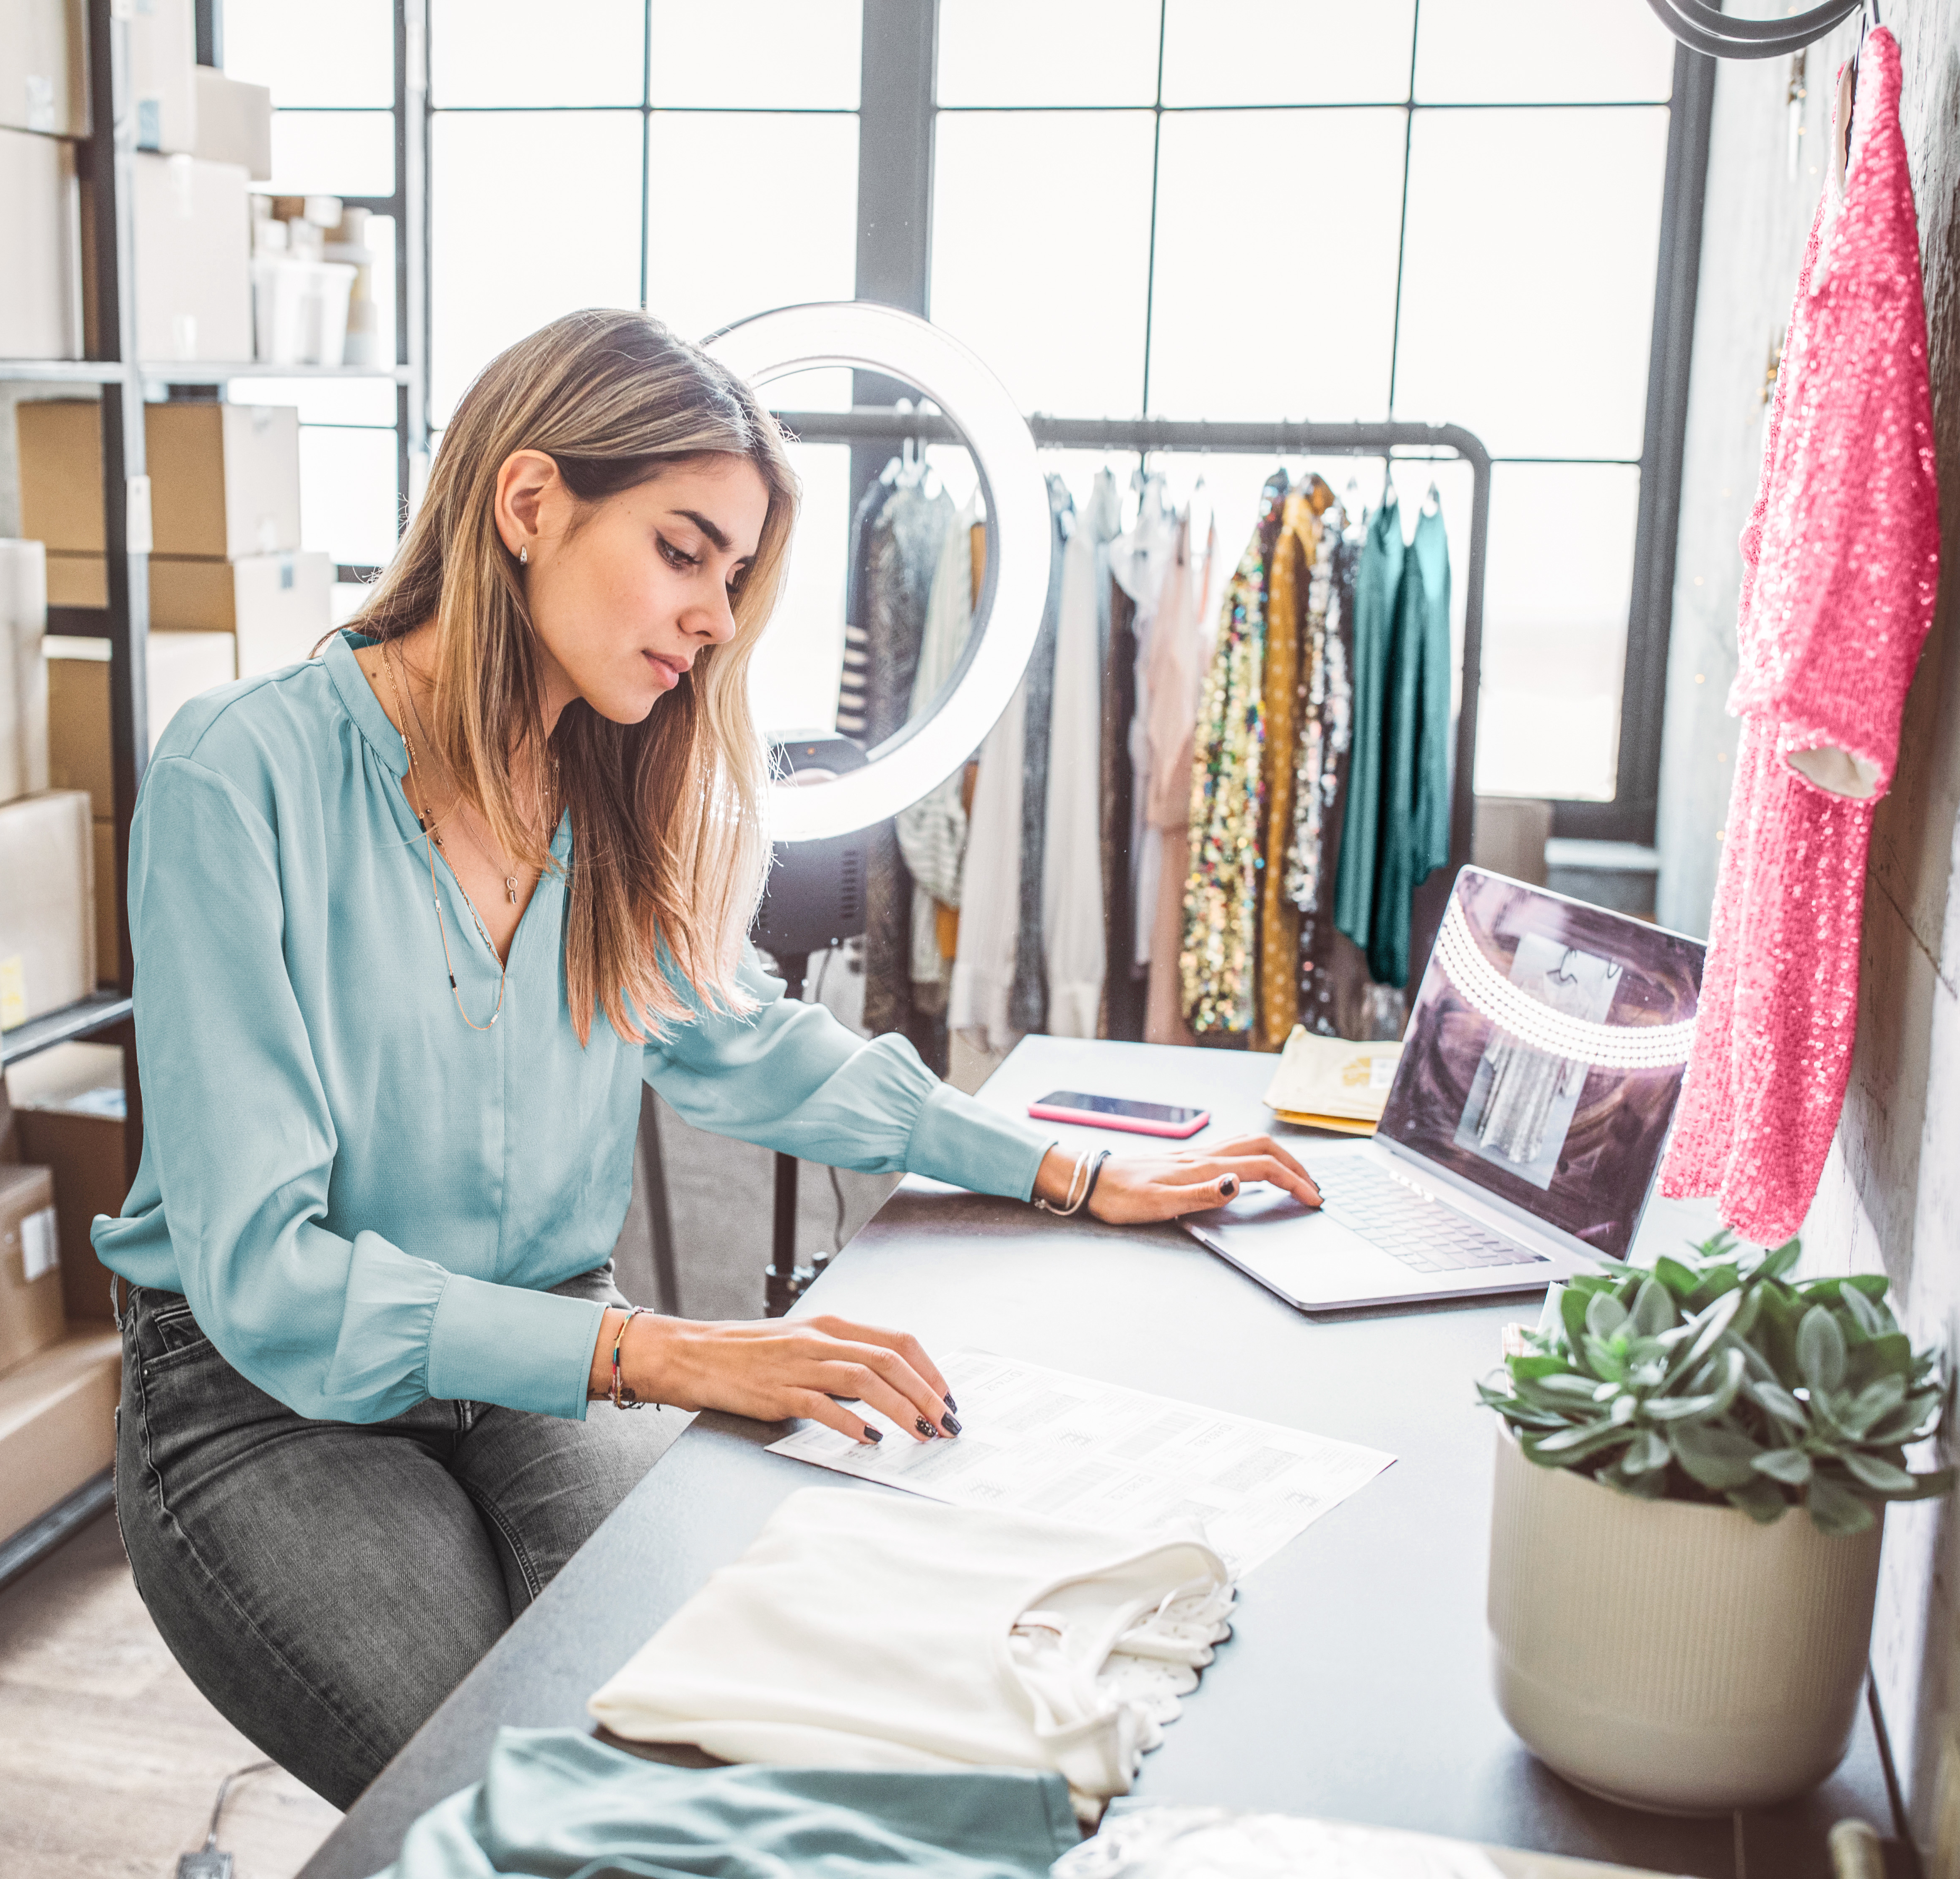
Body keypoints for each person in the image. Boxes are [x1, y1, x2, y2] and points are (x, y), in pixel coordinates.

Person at [93, 308, 1324, 1806]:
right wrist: (671, 1351)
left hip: (545, 1363)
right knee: (527, 1812)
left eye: (735, 578)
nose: (718, 618)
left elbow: (758, 1049)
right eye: (684, 552)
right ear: (530, 502)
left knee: (712, 1766)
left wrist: (1073, 1166)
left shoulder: (607, 790)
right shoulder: (244, 773)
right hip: (265, 1401)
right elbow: (272, 1278)